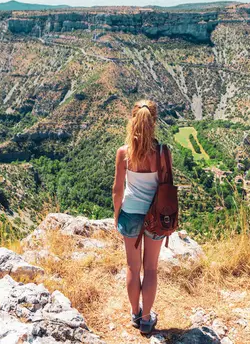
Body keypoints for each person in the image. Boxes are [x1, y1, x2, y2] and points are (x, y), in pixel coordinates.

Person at [112, 99, 172, 334]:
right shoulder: (161, 152)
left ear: (132, 121)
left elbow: (117, 190)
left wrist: (117, 215)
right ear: (154, 123)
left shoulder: (124, 153)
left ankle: (135, 314)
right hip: (156, 216)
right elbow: (167, 185)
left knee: (132, 267)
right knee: (151, 269)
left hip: (131, 214)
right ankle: (147, 320)